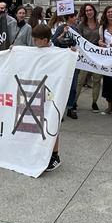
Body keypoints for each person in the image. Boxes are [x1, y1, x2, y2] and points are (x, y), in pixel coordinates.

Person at [31, 23, 64, 172]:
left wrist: (71, 53)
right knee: (39, 122)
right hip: (38, 91)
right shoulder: (36, 51)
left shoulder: (56, 52)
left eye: (36, 40)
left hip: (52, 92)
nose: (34, 43)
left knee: (52, 123)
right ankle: (42, 150)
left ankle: (55, 156)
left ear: (45, 40)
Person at [51, 11, 80, 119]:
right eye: (74, 17)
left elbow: (79, 43)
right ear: (70, 18)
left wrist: (75, 48)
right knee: (62, 86)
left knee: (73, 86)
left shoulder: (76, 29)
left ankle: (71, 107)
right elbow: (54, 41)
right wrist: (63, 33)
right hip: (62, 62)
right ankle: (60, 109)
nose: (76, 19)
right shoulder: (61, 28)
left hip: (73, 61)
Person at [76, 3, 103, 112]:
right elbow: (78, 40)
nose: (89, 12)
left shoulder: (100, 24)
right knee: (80, 80)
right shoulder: (81, 26)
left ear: (94, 11)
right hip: (85, 57)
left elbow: (103, 37)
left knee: (97, 80)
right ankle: (74, 102)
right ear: (84, 13)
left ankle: (94, 103)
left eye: (90, 10)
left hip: (97, 56)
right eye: (86, 11)